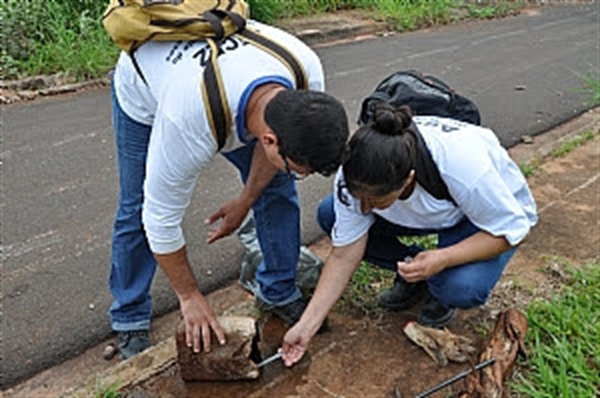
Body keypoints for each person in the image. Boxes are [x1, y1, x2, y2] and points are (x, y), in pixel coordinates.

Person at [108, 19, 349, 359]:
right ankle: (130, 316)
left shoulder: (304, 72)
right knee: (137, 207)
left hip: (231, 96)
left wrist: (245, 200)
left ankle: (279, 289)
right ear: (268, 140)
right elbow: (159, 218)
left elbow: (275, 153)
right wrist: (190, 296)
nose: (300, 176)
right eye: (301, 170)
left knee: (277, 187)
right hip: (146, 92)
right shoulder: (187, 120)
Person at [280, 102, 537, 366]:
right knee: (330, 213)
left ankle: (439, 286)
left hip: (482, 219)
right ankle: (417, 275)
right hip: (434, 210)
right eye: (360, 199)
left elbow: (513, 230)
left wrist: (446, 257)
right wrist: (306, 326)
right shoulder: (354, 173)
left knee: (458, 287)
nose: (365, 209)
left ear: (409, 180)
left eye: (376, 201)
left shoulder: (464, 168)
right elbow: (344, 255)